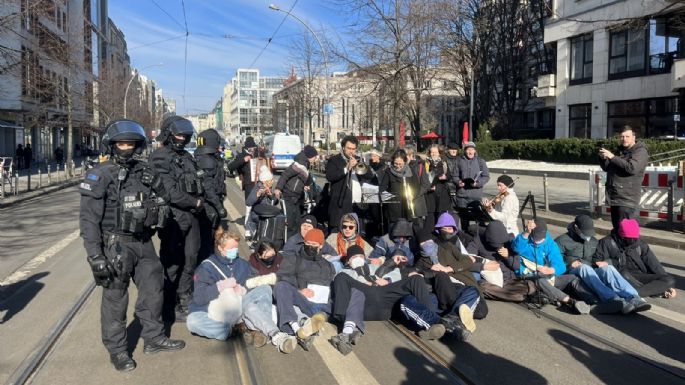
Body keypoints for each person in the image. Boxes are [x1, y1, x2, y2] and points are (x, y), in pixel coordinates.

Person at [79, 119, 184, 372]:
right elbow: (88, 220)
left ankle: (154, 338)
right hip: (116, 246)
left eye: (131, 143)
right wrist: (95, 256)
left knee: (153, 291)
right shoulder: (100, 174)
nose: (127, 147)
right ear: (112, 145)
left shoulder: (145, 171)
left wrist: (157, 184)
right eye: (121, 143)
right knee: (116, 301)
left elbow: (165, 200)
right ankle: (118, 351)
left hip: (144, 243)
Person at [186, 228, 297, 353]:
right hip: (216, 309)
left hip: (239, 304)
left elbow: (250, 284)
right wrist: (220, 286)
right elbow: (199, 298)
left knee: (264, 289)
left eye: (236, 248)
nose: (235, 251)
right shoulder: (206, 268)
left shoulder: (243, 264)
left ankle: (259, 330)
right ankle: (232, 331)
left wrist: (243, 290)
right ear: (220, 248)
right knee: (193, 322)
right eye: (231, 249)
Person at [330, 246, 447, 354]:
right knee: (341, 278)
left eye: (361, 256)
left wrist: (388, 280)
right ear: (348, 261)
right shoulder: (345, 272)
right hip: (364, 298)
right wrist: (365, 283)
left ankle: (435, 322)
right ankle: (343, 319)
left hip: (385, 297)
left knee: (415, 279)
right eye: (354, 257)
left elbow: (395, 273)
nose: (358, 259)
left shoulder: (374, 267)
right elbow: (341, 288)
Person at [150, 116, 205, 322]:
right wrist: (195, 203)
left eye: (185, 135)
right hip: (174, 217)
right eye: (178, 134)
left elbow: (198, 182)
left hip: (192, 216)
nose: (182, 138)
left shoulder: (187, 157)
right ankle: (167, 305)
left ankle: (185, 297)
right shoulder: (159, 157)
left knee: (191, 259)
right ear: (168, 134)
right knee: (172, 263)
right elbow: (169, 191)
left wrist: (201, 202)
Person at [555, 215, 650, 314]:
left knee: (608, 268)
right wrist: (568, 264)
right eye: (585, 233)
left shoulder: (593, 241)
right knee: (584, 268)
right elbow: (553, 263)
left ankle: (634, 298)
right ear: (576, 228)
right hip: (571, 271)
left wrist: (606, 262)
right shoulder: (561, 241)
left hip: (591, 269)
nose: (587, 236)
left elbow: (601, 257)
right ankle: (614, 299)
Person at [415, 213, 488, 338]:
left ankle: (449, 319)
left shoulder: (447, 247)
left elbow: (467, 260)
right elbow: (417, 276)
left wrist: (448, 268)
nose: (426, 245)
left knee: (481, 311)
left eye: (428, 241)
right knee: (441, 278)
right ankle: (456, 320)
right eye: (423, 243)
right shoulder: (421, 262)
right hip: (446, 291)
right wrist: (431, 271)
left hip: (462, 282)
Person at [512, 218, 591, 314]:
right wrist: (526, 233)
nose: (538, 240)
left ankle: (591, 300)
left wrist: (551, 270)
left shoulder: (550, 243)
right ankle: (569, 301)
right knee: (539, 280)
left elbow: (560, 264)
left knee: (573, 278)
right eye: (536, 237)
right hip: (529, 276)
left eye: (541, 238)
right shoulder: (524, 240)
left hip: (549, 277)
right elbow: (516, 248)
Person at [274, 229, 333, 350]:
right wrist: (299, 291)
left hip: (322, 306)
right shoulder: (294, 259)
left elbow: (331, 288)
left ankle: (315, 322)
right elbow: (283, 278)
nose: (310, 246)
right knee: (280, 286)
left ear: (321, 246)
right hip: (303, 301)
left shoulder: (328, 265)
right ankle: (295, 328)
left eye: (314, 244)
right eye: (308, 243)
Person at [594, 219, 677, 299]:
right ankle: (645, 292)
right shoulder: (607, 243)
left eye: (635, 239)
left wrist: (668, 287)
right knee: (625, 274)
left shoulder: (640, 244)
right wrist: (610, 262)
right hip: (621, 276)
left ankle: (636, 293)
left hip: (639, 277)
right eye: (630, 239)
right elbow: (596, 262)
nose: (633, 241)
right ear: (621, 237)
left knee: (669, 280)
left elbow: (654, 264)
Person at [599, 125, 649, 230]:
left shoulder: (640, 151)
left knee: (625, 233)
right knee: (617, 231)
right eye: (622, 137)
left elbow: (632, 168)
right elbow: (607, 168)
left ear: (633, 137)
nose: (624, 139)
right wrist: (604, 159)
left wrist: (612, 157)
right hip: (616, 197)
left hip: (627, 199)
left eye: (627, 136)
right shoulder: (620, 151)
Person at [326, 136, 372, 233]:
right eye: (349, 148)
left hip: (356, 205)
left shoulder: (358, 160)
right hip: (340, 205)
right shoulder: (334, 160)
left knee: (356, 235)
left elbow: (370, 176)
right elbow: (330, 177)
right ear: (343, 147)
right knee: (337, 234)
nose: (351, 151)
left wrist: (358, 166)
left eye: (353, 149)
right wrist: (346, 168)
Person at [194, 129, 228, 261]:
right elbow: (208, 187)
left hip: (211, 203)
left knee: (210, 236)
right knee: (207, 238)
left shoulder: (208, 158)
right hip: (209, 205)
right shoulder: (207, 161)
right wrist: (219, 206)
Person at [379, 149, 429, 234]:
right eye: (395, 164)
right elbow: (382, 188)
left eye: (400, 164)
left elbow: (416, 187)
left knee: (407, 233)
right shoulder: (388, 172)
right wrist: (389, 197)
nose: (398, 166)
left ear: (405, 162)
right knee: (394, 232)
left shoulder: (411, 172)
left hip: (407, 208)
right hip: (394, 209)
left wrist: (412, 195)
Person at [275, 145, 319, 238]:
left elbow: (301, 180)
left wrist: (305, 186)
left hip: (297, 197)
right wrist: (278, 188)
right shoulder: (298, 164)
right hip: (288, 195)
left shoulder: (306, 165)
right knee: (290, 222)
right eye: (315, 157)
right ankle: (287, 244)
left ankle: (294, 242)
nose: (316, 159)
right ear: (310, 156)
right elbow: (285, 175)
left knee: (297, 221)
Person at [228, 136, 259, 236]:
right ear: (247, 148)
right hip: (249, 185)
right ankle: (248, 231)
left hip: (258, 184)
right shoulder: (241, 155)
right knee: (249, 207)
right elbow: (231, 166)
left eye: (254, 148)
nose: (253, 150)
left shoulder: (256, 154)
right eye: (252, 148)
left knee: (257, 208)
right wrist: (243, 160)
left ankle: (256, 230)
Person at [455, 142, 489, 228]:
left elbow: (486, 176)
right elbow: (454, 176)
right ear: (465, 151)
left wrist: (477, 183)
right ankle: (465, 237)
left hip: (476, 195)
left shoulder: (480, 161)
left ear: (475, 151)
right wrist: (458, 182)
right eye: (468, 149)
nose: (470, 152)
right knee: (464, 220)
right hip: (462, 196)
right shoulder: (459, 161)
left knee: (479, 219)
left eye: (472, 149)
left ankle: (477, 238)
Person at [425, 145, 452, 230]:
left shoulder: (444, 162)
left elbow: (449, 175)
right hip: (430, 193)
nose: (434, 154)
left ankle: (440, 232)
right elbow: (423, 177)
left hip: (442, 192)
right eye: (432, 152)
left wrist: (445, 177)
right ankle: (430, 233)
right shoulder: (426, 163)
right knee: (430, 215)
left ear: (439, 153)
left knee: (441, 214)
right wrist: (429, 186)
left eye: (435, 152)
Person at [245, 165, 276, 238]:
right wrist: (257, 195)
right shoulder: (258, 188)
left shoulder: (269, 188)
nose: (273, 181)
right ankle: (259, 237)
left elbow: (275, 202)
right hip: (257, 214)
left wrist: (271, 196)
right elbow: (248, 202)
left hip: (267, 212)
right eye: (271, 180)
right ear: (265, 181)